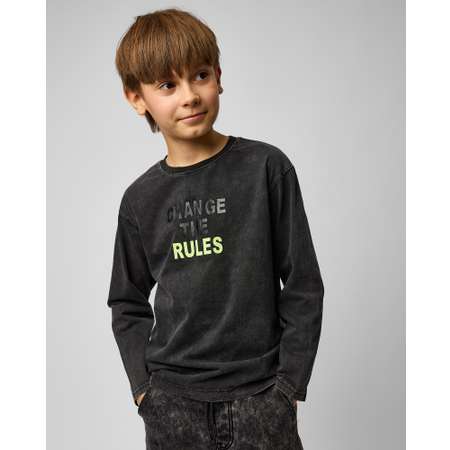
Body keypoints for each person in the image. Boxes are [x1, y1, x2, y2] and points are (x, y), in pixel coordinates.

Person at [107, 7, 324, 450]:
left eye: (200, 75)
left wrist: (288, 386)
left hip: (262, 399)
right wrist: (144, 390)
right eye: (167, 85)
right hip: (173, 406)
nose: (189, 96)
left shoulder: (266, 168)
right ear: (136, 98)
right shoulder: (139, 200)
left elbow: (303, 284)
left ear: (219, 77)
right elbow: (126, 301)